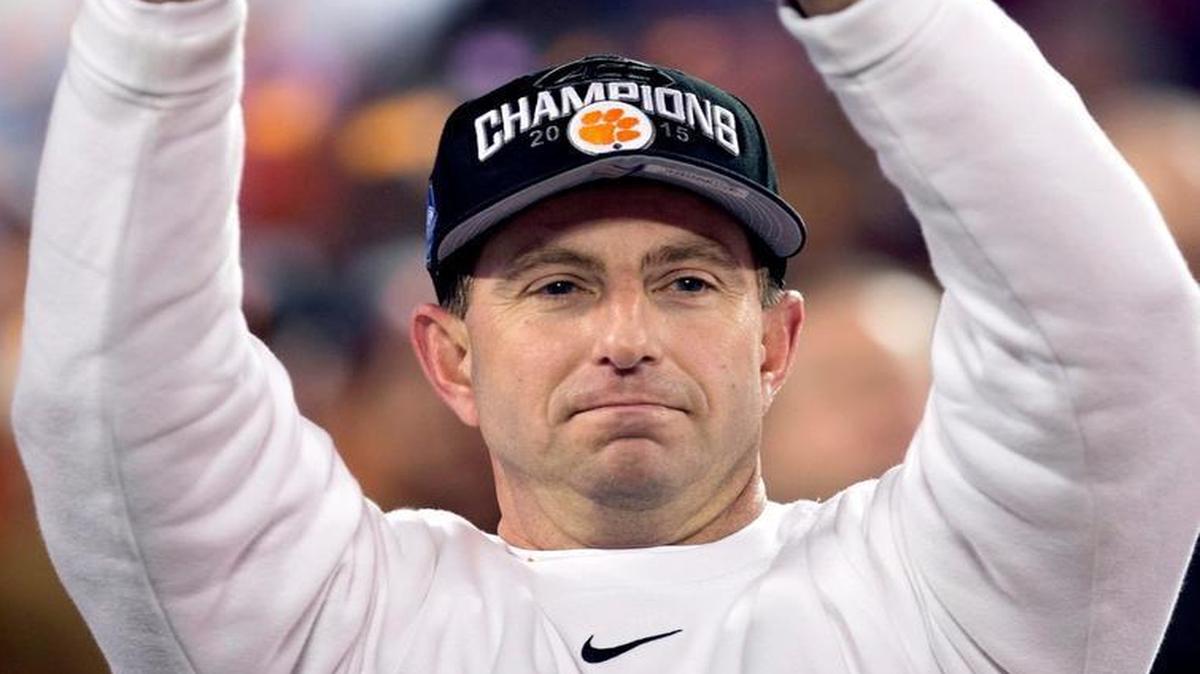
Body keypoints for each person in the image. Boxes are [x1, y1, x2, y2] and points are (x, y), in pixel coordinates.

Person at [12, 0, 1198, 672]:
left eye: (686, 281)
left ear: (777, 341)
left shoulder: (953, 600)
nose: (626, 336)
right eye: (558, 287)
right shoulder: (344, 622)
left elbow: (1114, 335)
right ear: (449, 356)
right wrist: (163, 26)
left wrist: (875, 18)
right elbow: (111, 403)